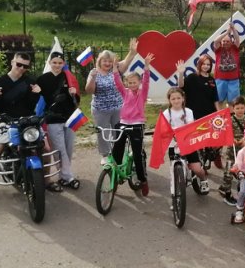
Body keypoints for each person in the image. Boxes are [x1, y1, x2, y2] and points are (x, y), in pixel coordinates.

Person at [0, 53, 41, 204]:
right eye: (19, 64)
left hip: (26, 121)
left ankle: (46, 183)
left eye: (25, 66)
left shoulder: (30, 82)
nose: (21, 68)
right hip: (6, 121)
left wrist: (37, 94)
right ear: (12, 62)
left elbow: (31, 106)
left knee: (45, 147)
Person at [85, 39, 138, 164]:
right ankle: (105, 155)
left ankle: (118, 153)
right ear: (100, 61)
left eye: (110, 61)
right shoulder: (94, 73)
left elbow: (126, 62)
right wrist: (92, 78)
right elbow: (89, 90)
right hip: (100, 109)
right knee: (102, 133)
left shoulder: (116, 69)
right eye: (105, 61)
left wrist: (132, 52)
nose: (107, 63)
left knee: (119, 132)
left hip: (118, 107)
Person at [35, 52, 80, 191]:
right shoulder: (42, 79)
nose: (57, 65)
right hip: (53, 119)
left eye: (60, 63)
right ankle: (68, 177)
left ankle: (63, 175)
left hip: (70, 118)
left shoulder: (69, 77)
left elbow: (76, 102)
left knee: (69, 148)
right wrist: (35, 92)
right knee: (59, 149)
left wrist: (74, 94)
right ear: (49, 63)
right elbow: (33, 98)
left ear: (63, 64)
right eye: (54, 62)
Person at [111, 53, 153, 196]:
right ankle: (114, 178)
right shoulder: (125, 92)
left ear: (139, 82)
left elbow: (147, 81)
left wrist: (146, 66)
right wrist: (115, 68)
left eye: (135, 82)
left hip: (137, 125)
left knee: (137, 155)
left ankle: (142, 180)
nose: (132, 85)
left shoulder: (142, 93)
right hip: (123, 123)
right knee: (116, 152)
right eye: (129, 82)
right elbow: (117, 82)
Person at [163, 87, 210, 200]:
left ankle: (203, 180)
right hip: (173, 145)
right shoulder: (166, 113)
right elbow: (164, 128)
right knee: (174, 169)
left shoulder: (188, 111)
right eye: (173, 98)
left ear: (183, 99)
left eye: (178, 98)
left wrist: (178, 130)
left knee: (197, 169)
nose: (176, 101)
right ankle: (175, 194)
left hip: (188, 143)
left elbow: (190, 125)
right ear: (169, 100)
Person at [219, 96, 245, 206]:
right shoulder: (230, 119)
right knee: (229, 171)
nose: (240, 110)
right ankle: (227, 193)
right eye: (237, 108)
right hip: (231, 149)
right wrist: (231, 139)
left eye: (242, 108)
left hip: (244, 148)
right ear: (233, 108)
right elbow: (225, 131)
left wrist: (244, 139)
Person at [177, 55, 220, 119]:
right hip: (194, 114)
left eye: (208, 64)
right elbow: (181, 85)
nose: (206, 66)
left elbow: (215, 98)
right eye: (203, 64)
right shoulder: (192, 77)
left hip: (209, 114)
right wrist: (181, 74)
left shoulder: (211, 79)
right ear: (199, 64)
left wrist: (218, 112)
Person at [213, 22, 242, 107]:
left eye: (228, 41)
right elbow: (216, 41)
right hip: (220, 79)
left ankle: (231, 117)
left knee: (232, 102)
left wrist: (233, 29)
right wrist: (226, 32)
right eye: (224, 41)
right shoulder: (218, 49)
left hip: (233, 80)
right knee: (219, 100)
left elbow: (237, 40)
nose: (225, 42)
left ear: (231, 42)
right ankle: (219, 117)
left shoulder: (235, 48)